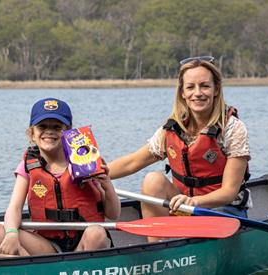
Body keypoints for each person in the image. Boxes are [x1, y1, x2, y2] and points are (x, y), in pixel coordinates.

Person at [107, 56, 251, 242]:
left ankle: (180, 241)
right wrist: (97, 174)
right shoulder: (173, 128)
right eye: (190, 87)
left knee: (215, 210)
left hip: (222, 211)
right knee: (153, 180)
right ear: (182, 92)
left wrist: (194, 202)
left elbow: (229, 192)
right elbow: (132, 162)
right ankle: (158, 247)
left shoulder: (233, 128)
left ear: (216, 90)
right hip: (184, 208)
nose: (197, 93)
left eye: (205, 86)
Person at [0, 98, 120, 255]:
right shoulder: (28, 166)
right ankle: (33, 269)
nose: (49, 131)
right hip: (47, 244)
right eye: (42, 126)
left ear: (68, 132)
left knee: (96, 232)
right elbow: (14, 207)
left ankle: (76, 267)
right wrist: (11, 232)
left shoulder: (84, 160)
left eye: (57, 127)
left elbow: (113, 214)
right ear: (32, 134)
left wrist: (107, 185)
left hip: (84, 241)